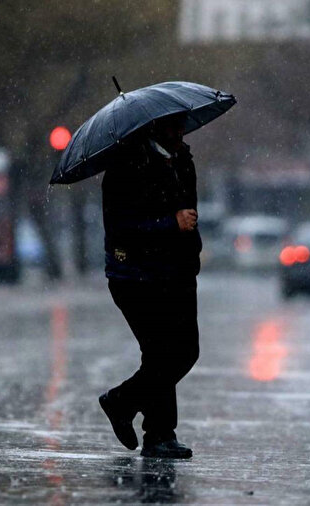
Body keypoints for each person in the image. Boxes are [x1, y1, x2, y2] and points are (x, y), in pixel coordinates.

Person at [97, 112, 201, 459]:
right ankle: (153, 430)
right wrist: (169, 224)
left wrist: (190, 249)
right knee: (163, 353)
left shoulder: (182, 160)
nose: (179, 132)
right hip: (137, 276)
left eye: (181, 125)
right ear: (153, 127)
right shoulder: (125, 166)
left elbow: (190, 212)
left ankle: (134, 412)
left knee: (183, 351)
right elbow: (121, 228)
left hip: (178, 273)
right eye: (172, 126)